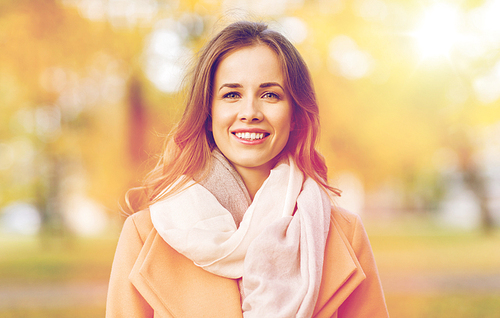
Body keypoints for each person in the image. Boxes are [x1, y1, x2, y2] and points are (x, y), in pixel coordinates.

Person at [106, 20, 389, 318]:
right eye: (231, 94)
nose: (250, 112)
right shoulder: (146, 234)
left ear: (294, 114)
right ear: (208, 112)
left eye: (270, 95)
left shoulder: (343, 234)